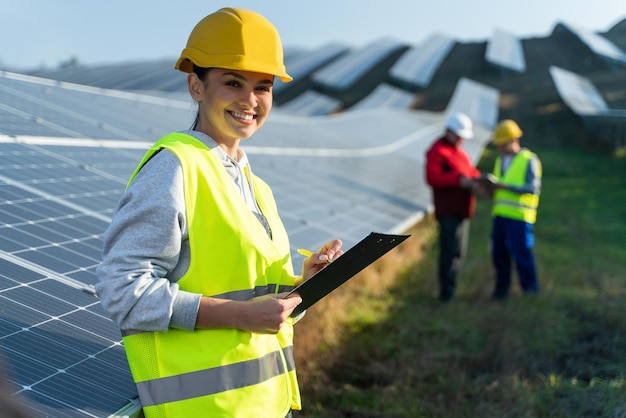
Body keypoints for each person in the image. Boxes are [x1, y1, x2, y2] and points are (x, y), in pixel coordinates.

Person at [95, 8, 343, 418]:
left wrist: (302, 287)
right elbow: (123, 290)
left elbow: (259, 303)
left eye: (263, 87)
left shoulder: (255, 186)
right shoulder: (175, 167)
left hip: (264, 404)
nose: (250, 100)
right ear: (196, 85)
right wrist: (241, 314)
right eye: (232, 83)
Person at [425, 112, 481, 301]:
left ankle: (451, 288)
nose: (461, 139)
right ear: (448, 131)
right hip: (449, 211)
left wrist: (477, 180)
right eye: (458, 135)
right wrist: (458, 180)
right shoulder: (438, 151)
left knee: (458, 252)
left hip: (462, 209)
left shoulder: (459, 152)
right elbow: (432, 177)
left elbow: (469, 171)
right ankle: (446, 293)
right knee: (449, 252)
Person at [488, 119, 542, 299]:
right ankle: (501, 291)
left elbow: (532, 188)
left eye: (502, 144)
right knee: (499, 255)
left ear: (513, 140)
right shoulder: (499, 160)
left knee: (522, 255)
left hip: (520, 217)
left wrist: (506, 187)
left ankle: (530, 291)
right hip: (500, 216)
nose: (500, 148)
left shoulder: (529, 160)